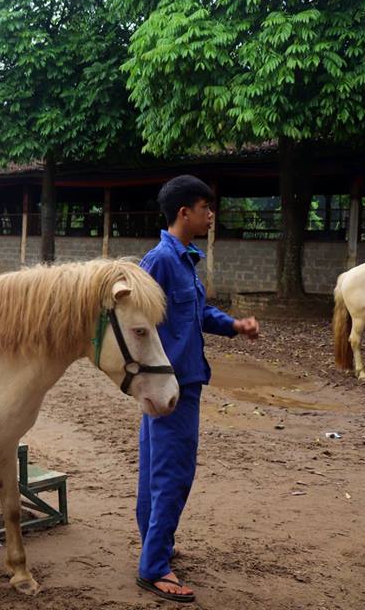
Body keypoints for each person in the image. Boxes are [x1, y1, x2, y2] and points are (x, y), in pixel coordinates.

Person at [135, 175, 260, 603]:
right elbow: (132, 319)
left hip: (183, 379)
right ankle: (154, 567)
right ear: (184, 212)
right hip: (172, 386)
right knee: (173, 473)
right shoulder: (159, 261)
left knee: (158, 469)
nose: (211, 216)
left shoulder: (186, 258)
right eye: (206, 209)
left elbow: (199, 311)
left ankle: (157, 549)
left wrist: (234, 325)